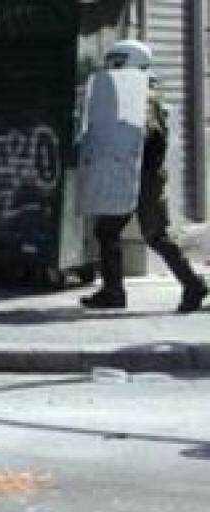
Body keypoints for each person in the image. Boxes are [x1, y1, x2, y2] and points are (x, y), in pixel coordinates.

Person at [81, 40, 207, 313]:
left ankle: (193, 284)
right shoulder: (129, 91)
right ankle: (112, 291)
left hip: (145, 176)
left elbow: (145, 135)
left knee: (155, 235)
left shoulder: (143, 95)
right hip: (125, 171)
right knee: (107, 230)